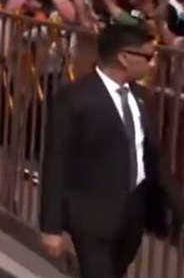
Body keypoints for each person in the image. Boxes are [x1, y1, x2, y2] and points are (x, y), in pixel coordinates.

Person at [40, 23, 184, 277]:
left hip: (132, 214)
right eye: (148, 57)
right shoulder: (75, 97)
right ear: (124, 57)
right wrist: (51, 225)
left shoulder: (142, 97)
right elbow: (56, 161)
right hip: (91, 214)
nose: (153, 65)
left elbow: (154, 160)